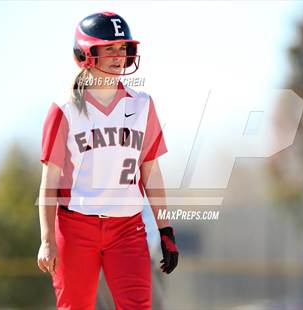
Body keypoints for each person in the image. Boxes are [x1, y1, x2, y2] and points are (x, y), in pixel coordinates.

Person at [36, 11, 179, 310]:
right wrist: (47, 239)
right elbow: (49, 183)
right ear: (86, 53)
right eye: (109, 48)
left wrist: (165, 229)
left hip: (127, 229)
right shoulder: (64, 108)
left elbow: (151, 172)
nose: (119, 55)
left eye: (123, 48)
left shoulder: (142, 104)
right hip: (76, 228)